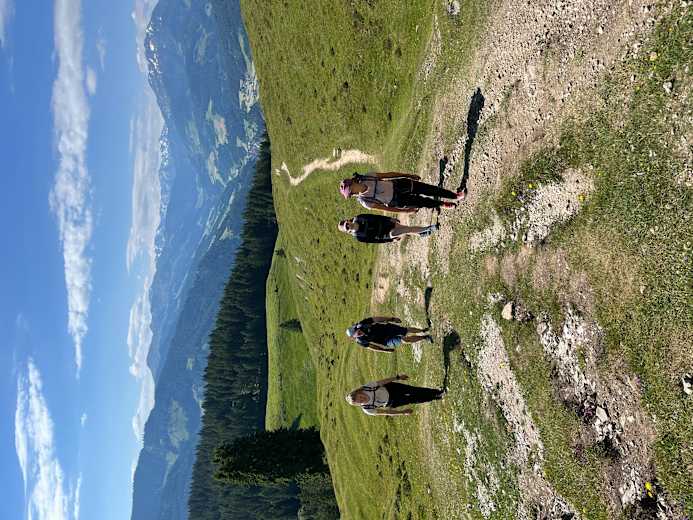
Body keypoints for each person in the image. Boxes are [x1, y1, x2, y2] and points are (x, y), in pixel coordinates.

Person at [339, 171, 466, 212]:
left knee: (429, 189)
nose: (353, 193)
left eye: (351, 190)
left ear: (352, 183)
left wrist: (408, 175)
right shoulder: (365, 201)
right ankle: (442, 204)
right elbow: (386, 209)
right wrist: (405, 211)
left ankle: (455, 196)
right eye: (350, 194)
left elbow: (388, 174)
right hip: (397, 200)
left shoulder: (368, 176)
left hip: (399, 185)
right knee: (423, 202)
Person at [345, 374, 445, 416]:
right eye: (359, 402)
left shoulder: (366, 387)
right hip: (392, 401)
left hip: (392, 388)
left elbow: (382, 382)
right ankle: (435, 397)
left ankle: (437, 392)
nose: (361, 400)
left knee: (413, 390)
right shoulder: (368, 409)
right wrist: (402, 412)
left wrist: (397, 377)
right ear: (357, 404)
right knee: (413, 399)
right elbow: (386, 412)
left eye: (359, 397)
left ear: (358, 393)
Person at [346, 316, 431, 353]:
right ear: (354, 337)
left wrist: (392, 319)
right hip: (386, 341)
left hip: (387, 329)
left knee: (405, 330)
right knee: (405, 340)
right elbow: (372, 347)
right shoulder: (360, 341)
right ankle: (424, 337)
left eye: (356, 330)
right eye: (355, 334)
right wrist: (384, 350)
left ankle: (422, 330)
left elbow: (376, 319)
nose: (358, 332)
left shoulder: (363, 324)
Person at [338, 214, 439, 243]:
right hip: (386, 234)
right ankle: (429, 228)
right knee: (406, 230)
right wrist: (391, 240)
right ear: (347, 231)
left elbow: (376, 217)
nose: (348, 226)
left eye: (347, 224)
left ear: (348, 220)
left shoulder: (360, 217)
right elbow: (375, 241)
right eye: (346, 228)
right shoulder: (359, 237)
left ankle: (421, 234)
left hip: (386, 224)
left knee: (407, 229)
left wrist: (390, 219)